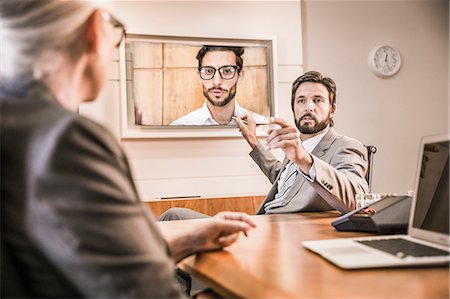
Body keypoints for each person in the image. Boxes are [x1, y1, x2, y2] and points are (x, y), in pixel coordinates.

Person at [0, 1, 256, 298]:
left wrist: (192, 240)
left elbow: (90, 261)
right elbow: (142, 289)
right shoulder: (67, 140)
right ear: (95, 31)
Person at [159, 71, 369, 221]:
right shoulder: (295, 147)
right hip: (260, 224)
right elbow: (283, 179)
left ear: (332, 109)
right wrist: (253, 141)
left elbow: (357, 200)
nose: (309, 107)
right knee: (174, 218)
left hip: (283, 234)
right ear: (294, 108)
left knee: (173, 217)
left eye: (318, 100)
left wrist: (303, 158)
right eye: (301, 101)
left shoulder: (345, 147)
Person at [170, 45, 268, 126]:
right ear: (199, 76)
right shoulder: (181, 126)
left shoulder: (261, 125)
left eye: (227, 71)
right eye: (208, 71)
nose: (216, 82)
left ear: (240, 76)